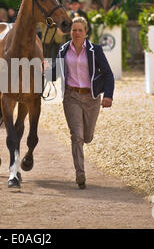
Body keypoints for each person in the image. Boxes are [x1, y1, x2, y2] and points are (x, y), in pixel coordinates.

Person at [46, 16, 114, 189]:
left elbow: (108, 73)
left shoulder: (95, 50)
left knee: (87, 137)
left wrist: (108, 95)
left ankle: (84, 145)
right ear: (70, 32)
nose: (76, 33)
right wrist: (43, 70)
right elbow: (55, 74)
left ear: (86, 32)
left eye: (79, 30)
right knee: (76, 135)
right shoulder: (63, 50)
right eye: (74, 30)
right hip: (72, 97)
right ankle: (80, 173)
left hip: (91, 99)